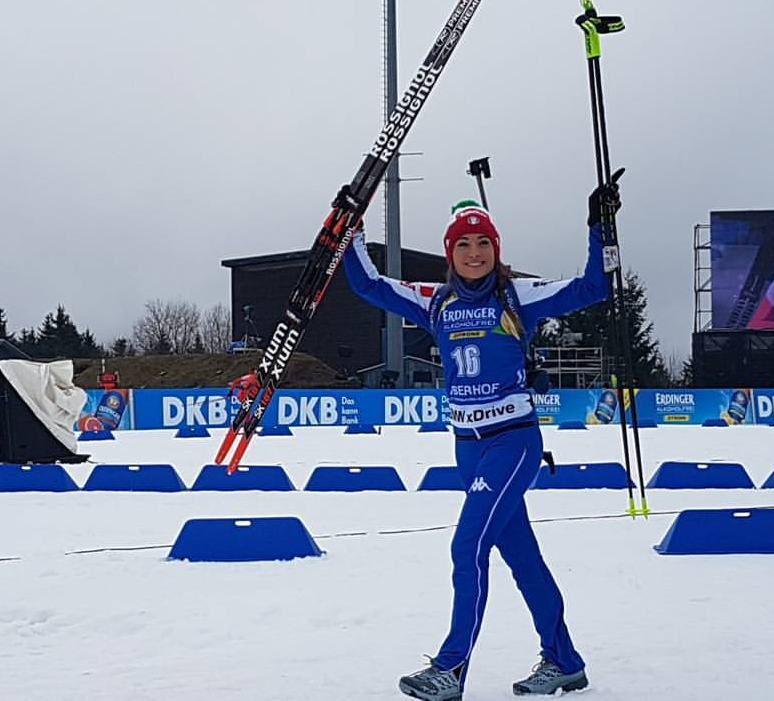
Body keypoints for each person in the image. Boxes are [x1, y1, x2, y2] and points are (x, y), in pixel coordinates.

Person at [342, 178, 622, 699]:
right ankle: (564, 660)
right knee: (523, 559)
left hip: (512, 443)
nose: (474, 253)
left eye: (484, 243)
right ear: (450, 252)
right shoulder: (435, 300)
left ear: (497, 250)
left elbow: (593, 287)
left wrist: (600, 228)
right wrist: (350, 232)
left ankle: (451, 668)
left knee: (467, 545)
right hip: (466, 447)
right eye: (463, 244)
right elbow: (370, 286)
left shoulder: (518, 296)